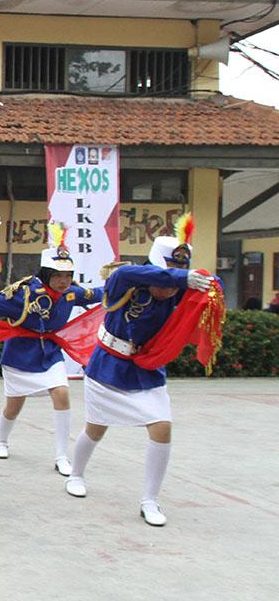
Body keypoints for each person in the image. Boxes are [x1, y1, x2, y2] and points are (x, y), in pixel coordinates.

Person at [66, 214, 218, 527]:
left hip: (147, 369)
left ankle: (150, 500)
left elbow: (215, 288)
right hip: (107, 366)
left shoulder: (180, 292)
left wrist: (201, 281)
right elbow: (135, 272)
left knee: (161, 427)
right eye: (165, 275)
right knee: (96, 427)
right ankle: (76, 474)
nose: (170, 284)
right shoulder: (126, 281)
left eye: (177, 275)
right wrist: (178, 278)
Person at [0, 222, 104, 475]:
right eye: (58, 276)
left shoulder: (72, 293)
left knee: (62, 393)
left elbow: (98, 293)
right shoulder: (23, 295)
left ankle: (62, 455)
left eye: (68, 275)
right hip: (20, 352)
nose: (64, 281)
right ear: (45, 274)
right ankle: (1, 441)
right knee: (14, 404)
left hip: (50, 352)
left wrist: (126, 284)